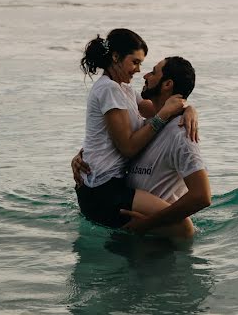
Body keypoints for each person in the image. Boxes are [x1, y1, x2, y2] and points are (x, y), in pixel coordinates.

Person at [75, 29, 197, 239]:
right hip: (103, 191)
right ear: (115, 57)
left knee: (173, 224)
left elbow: (159, 107)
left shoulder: (124, 89)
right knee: (184, 228)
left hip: (108, 185)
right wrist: (166, 113)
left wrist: (189, 109)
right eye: (135, 62)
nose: (139, 70)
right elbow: (128, 147)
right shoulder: (108, 90)